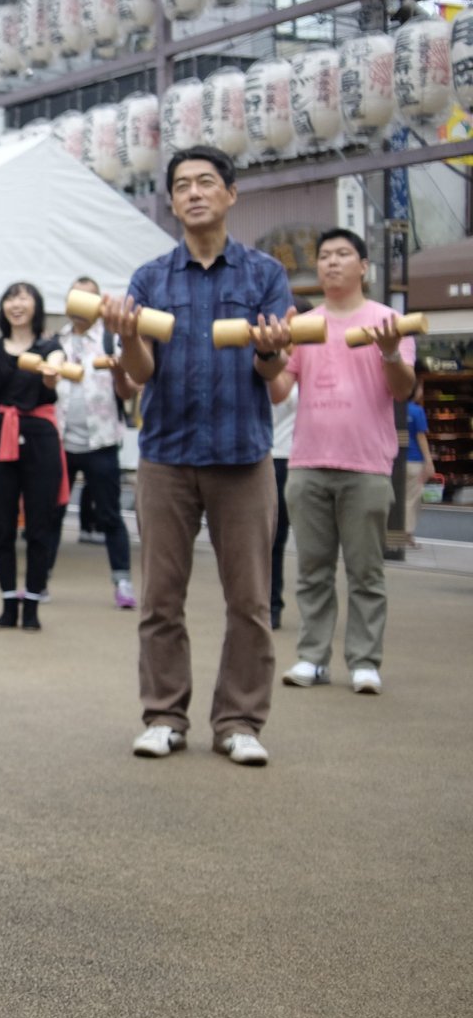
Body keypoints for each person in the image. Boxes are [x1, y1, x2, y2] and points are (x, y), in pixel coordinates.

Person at [100, 146, 294, 767]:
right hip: (166, 456)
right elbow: (139, 372)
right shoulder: (150, 279)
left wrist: (269, 349)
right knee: (161, 598)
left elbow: (273, 370)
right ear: (172, 201)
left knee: (250, 601)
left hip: (243, 456)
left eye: (206, 182)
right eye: (181, 185)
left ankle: (239, 721)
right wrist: (129, 335)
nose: (193, 193)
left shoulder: (264, 275)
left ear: (231, 194)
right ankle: (163, 715)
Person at [272, 228, 417, 695]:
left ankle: (365, 660)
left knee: (365, 570)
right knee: (311, 569)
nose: (331, 262)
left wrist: (390, 349)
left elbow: (402, 390)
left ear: (363, 267)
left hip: (367, 464)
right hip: (307, 461)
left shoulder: (387, 320)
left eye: (342, 254)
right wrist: (274, 353)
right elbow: (278, 392)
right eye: (325, 256)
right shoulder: (305, 323)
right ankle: (312, 657)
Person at [0, 283, 66, 630]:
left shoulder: (51, 347)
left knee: (39, 525)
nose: (16, 304)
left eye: (23, 297)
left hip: (40, 437)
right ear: (3, 307)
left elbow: (54, 377)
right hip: (1, 432)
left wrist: (50, 374)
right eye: (10, 298)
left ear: (36, 305)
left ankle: (32, 605)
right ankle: (7, 603)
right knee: (2, 525)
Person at [54, 276, 135, 610]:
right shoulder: (55, 341)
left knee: (110, 514)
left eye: (88, 298)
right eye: (75, 296)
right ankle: (38, 581)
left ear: (100, 304)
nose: (80, 304)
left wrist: (117, 372)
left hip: (101, 441)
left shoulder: (110, 339)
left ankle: (123, 581)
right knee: (51, 513)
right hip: (60, 441)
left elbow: (129, 391)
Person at [269, 375, 297, 630]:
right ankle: (270, 604)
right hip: (266, 456)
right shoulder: (261, 366)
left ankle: (272, 604)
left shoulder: (303, 370)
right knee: (270, 538)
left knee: (279, 538)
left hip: (298, 459)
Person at [406, 383, 433, 545]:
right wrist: (428, 461)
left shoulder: (393, 408)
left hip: (394, 461)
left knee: (398, 497)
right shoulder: (417, 411)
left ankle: (393, 534)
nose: (422, 391)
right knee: (412, 499)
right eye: (421, 388)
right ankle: (407, 535)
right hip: (414, 460)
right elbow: (421, 437)